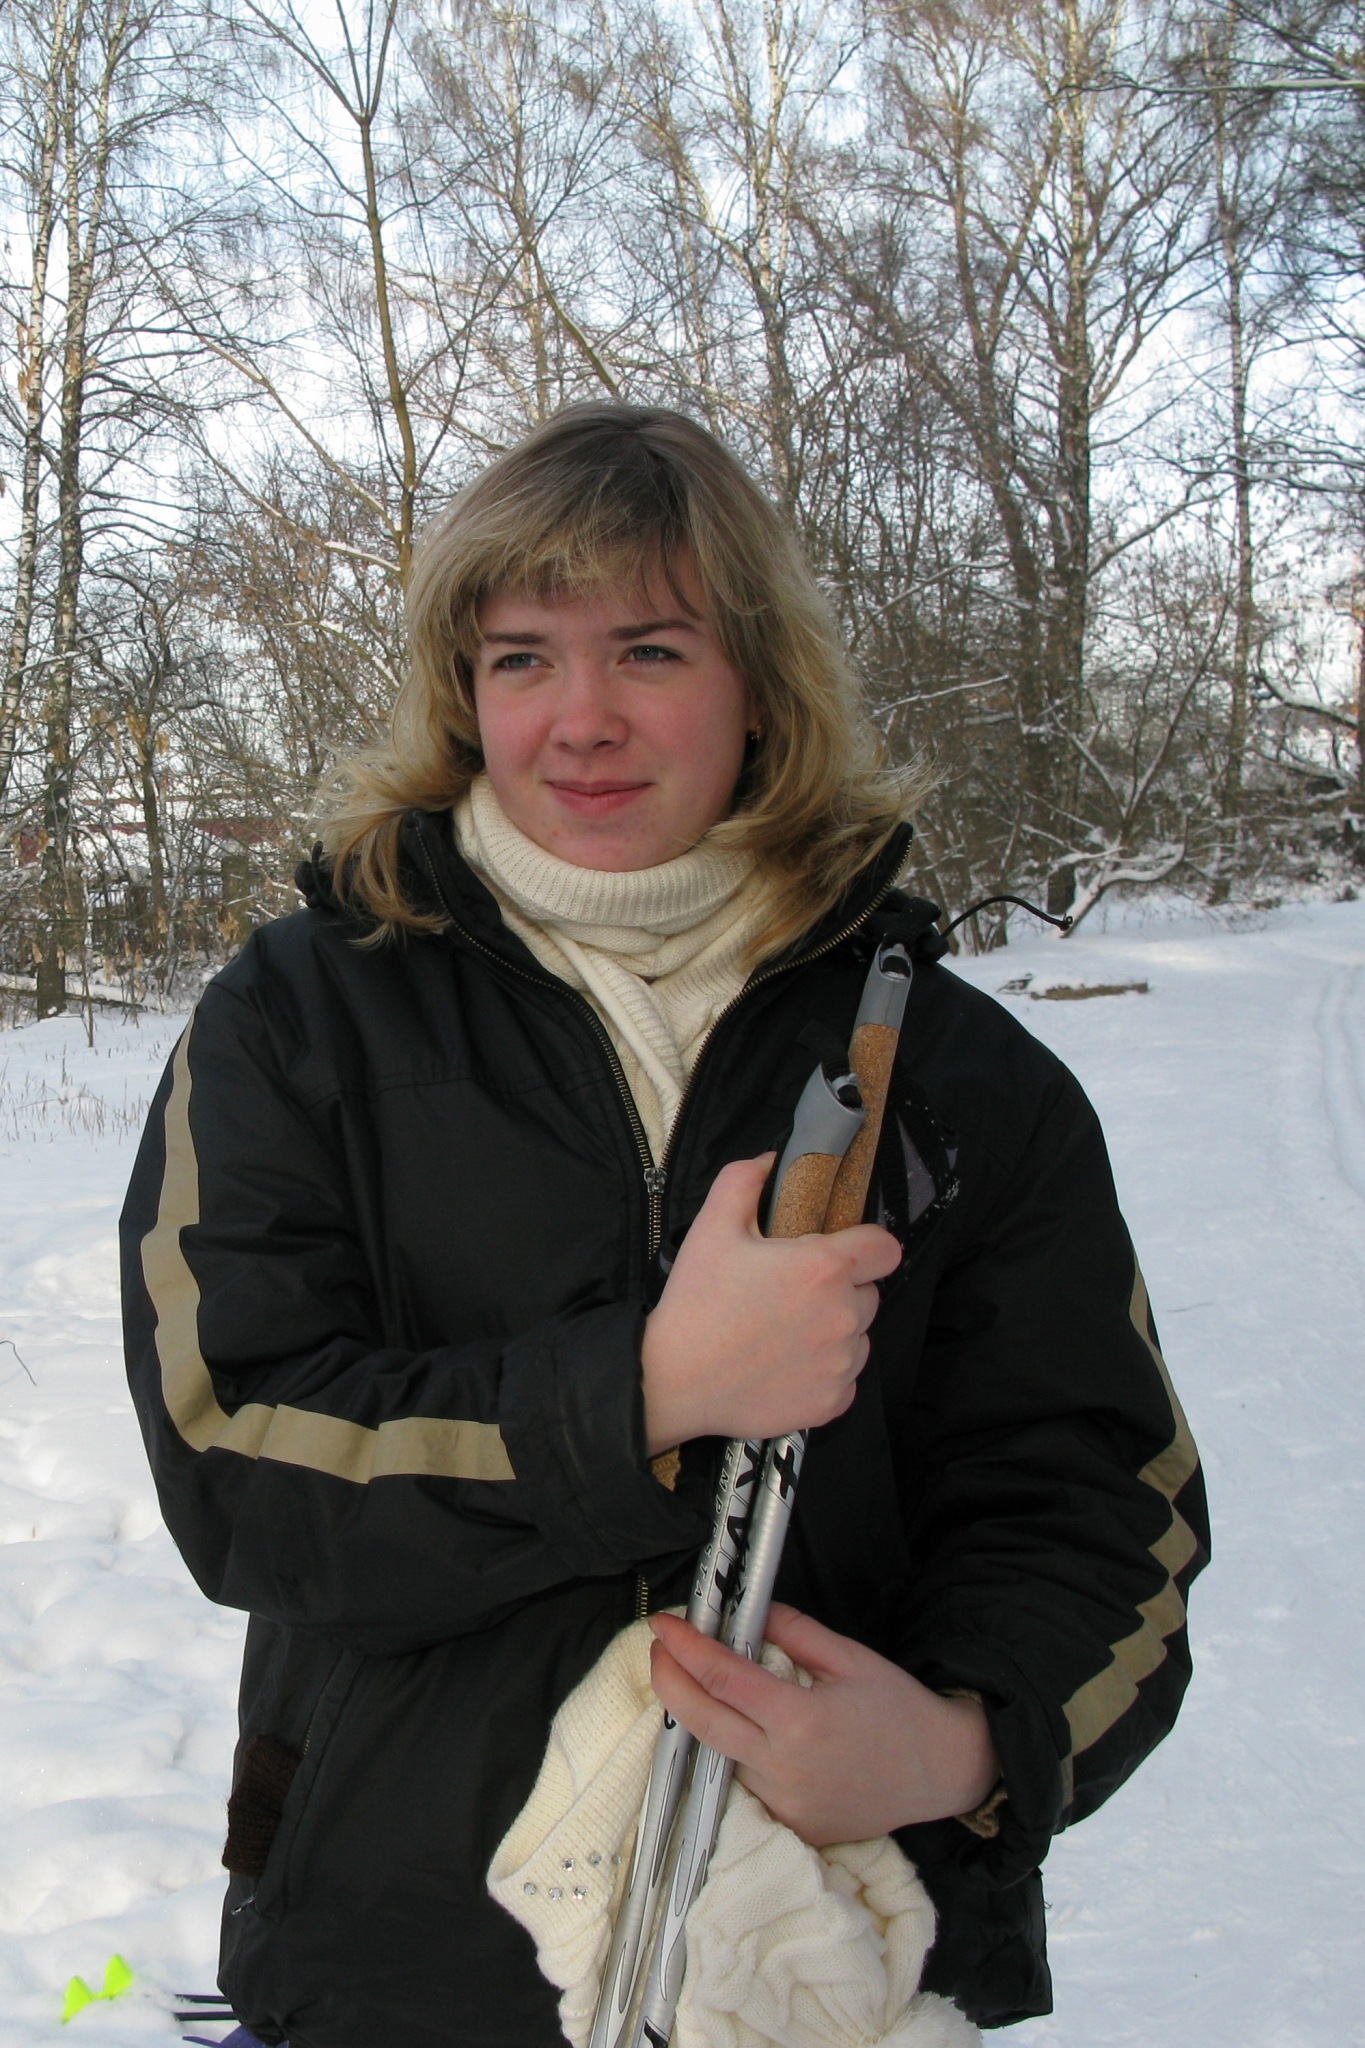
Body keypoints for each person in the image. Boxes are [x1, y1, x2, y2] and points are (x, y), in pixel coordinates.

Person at [121, 403, 1208, 2048]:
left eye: (648, 650)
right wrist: (644, 1394)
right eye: (521, 658)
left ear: (757, 681)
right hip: (403, 1957)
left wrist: (961, 1747)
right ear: (463, 692)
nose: (581, 721)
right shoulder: (302, 1017)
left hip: (828, 1958)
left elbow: (1103, 1505)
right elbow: (239, 1461)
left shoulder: (953, 1072)